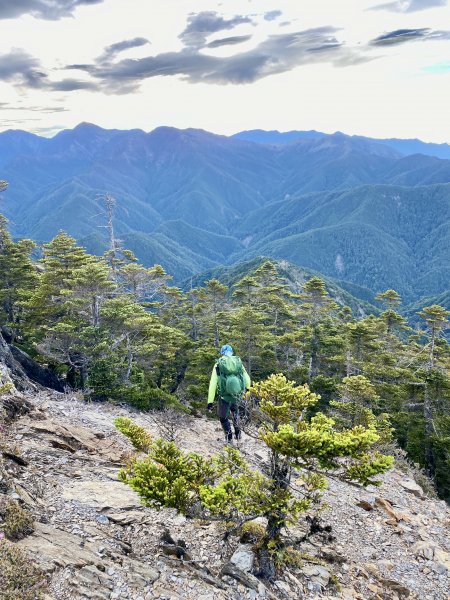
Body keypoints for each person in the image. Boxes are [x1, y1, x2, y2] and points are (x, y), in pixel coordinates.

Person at [207, 344, 250, 444]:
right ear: (232, 352)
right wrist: (247, 390)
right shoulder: (238, 362)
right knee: (235, 413)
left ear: (222, 353)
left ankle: (229, 437)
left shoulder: (218, 364)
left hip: (224, 396)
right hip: (236, 394)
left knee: (223, 417)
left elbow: (213, 384)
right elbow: (247, 378)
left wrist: (210, 401)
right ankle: (238, 434)